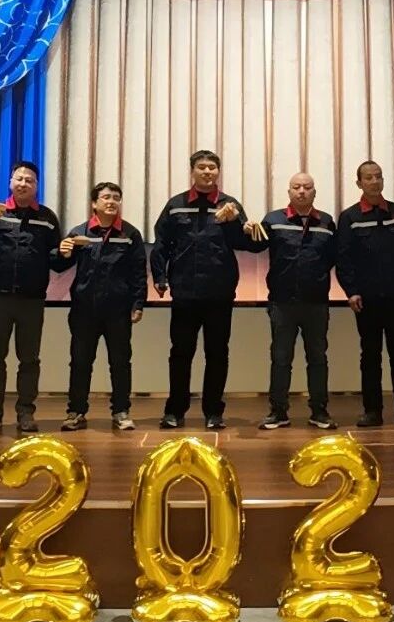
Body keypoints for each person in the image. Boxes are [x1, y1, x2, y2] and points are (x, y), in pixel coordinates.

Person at [150, 150, 253, 430]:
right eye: (202, 167)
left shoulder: (230, 205)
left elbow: (242, 244)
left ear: (218, 172)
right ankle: (175, 411)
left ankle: (213, 412)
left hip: (220, 292)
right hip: (184, 292)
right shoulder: (176, 205)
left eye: (212, 168)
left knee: (217, 353)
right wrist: (159, 277)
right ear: (192, 171)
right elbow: (161, 244)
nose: (207, 172)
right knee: (180, 353)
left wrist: (234, 223)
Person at [0, 161, 62, 433]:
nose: (23, 184)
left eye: (29, 180)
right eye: (19, 179)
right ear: (10, 183)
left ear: (36, 186)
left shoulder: (47, 217)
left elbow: (56, 260)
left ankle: (26, 413)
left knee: (29, 359)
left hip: (32, 299)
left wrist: (68, 253)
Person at [335, 161, 394, 428]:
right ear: (359, 183)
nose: (375, 181)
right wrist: (351, 291)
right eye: (369, 178)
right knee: (370, 355)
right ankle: (372, 411)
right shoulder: (350, 217)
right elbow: (343, 258)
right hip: (366, 298)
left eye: (378, 176)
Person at [244, 173, 338, 430]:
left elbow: (332, 257)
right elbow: (255, 247)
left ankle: (319, 411)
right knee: (281, 358)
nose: (302, 191)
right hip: (282, 302)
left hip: (316, 302)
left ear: (314, 192)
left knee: (318, 358)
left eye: (307, 187)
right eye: (296, 187)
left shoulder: (327, 222)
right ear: (289, 192)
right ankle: (278, 412)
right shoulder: (274, 220)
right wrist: (246, 231)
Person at [51, 182, 147, 431]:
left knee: (120, 362)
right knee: (80, 362)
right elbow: (59, 266)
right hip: (84, 310)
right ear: (94, 203)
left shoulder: (130, 234)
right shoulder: (79, 233)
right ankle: (76, 412)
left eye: (116, 197)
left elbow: (138, 272)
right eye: (106, 197)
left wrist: (138, 303)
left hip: (118, 310)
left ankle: (121, 411)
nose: (111, 201)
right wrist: (61, 253)